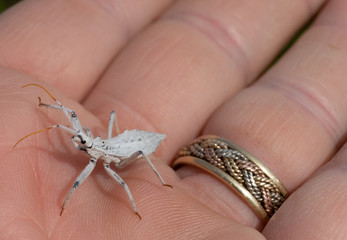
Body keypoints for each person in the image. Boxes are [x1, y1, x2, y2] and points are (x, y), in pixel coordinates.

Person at [1, 0, 347, 239]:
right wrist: (51, 115)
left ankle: (143, 192)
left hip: (131, 147)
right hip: (116, 143)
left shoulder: (102, 162)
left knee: (118, 177)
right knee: (78, 127)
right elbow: (70, 122)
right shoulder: (87, 146)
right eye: (79, 141)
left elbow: (101, 159)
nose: (78, 141)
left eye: (80, 140)